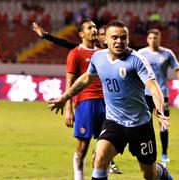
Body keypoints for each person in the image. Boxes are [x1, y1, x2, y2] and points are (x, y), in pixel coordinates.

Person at [48, 20, 172, 180]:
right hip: (114, 123)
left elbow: (154, 88)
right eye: (114, 37)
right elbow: (86, 78)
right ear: (105, 39)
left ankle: (162, 172)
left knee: (149, 174)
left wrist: (160, 110)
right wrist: (65, 98)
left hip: (140, 125)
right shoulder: (98, 58)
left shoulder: (137, 60)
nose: (119, 41)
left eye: (123, 37)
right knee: (99, 160)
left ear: (128, 39)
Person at [32, 22, 122, 175]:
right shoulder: (75, 53)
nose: (94, 29)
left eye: (95, 27)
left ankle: (100, 172)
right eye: (89, 28)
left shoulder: (104, 53)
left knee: (110, 143)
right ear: (81, 34)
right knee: (82, 146)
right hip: (86, 102)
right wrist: (68, 109)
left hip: (106, 103)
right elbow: (70, 81)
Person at [138, 29, 179, 163]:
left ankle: (165, 153)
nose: (153, 40)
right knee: (146, 124)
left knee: (163, 124)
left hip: (162, 95)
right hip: (145, 94)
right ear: (147, 39)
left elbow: (177, 69)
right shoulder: (141, 53)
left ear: (160, 39)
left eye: (155, 38)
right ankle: (147, 152)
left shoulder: (167, 54)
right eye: (150, 38)